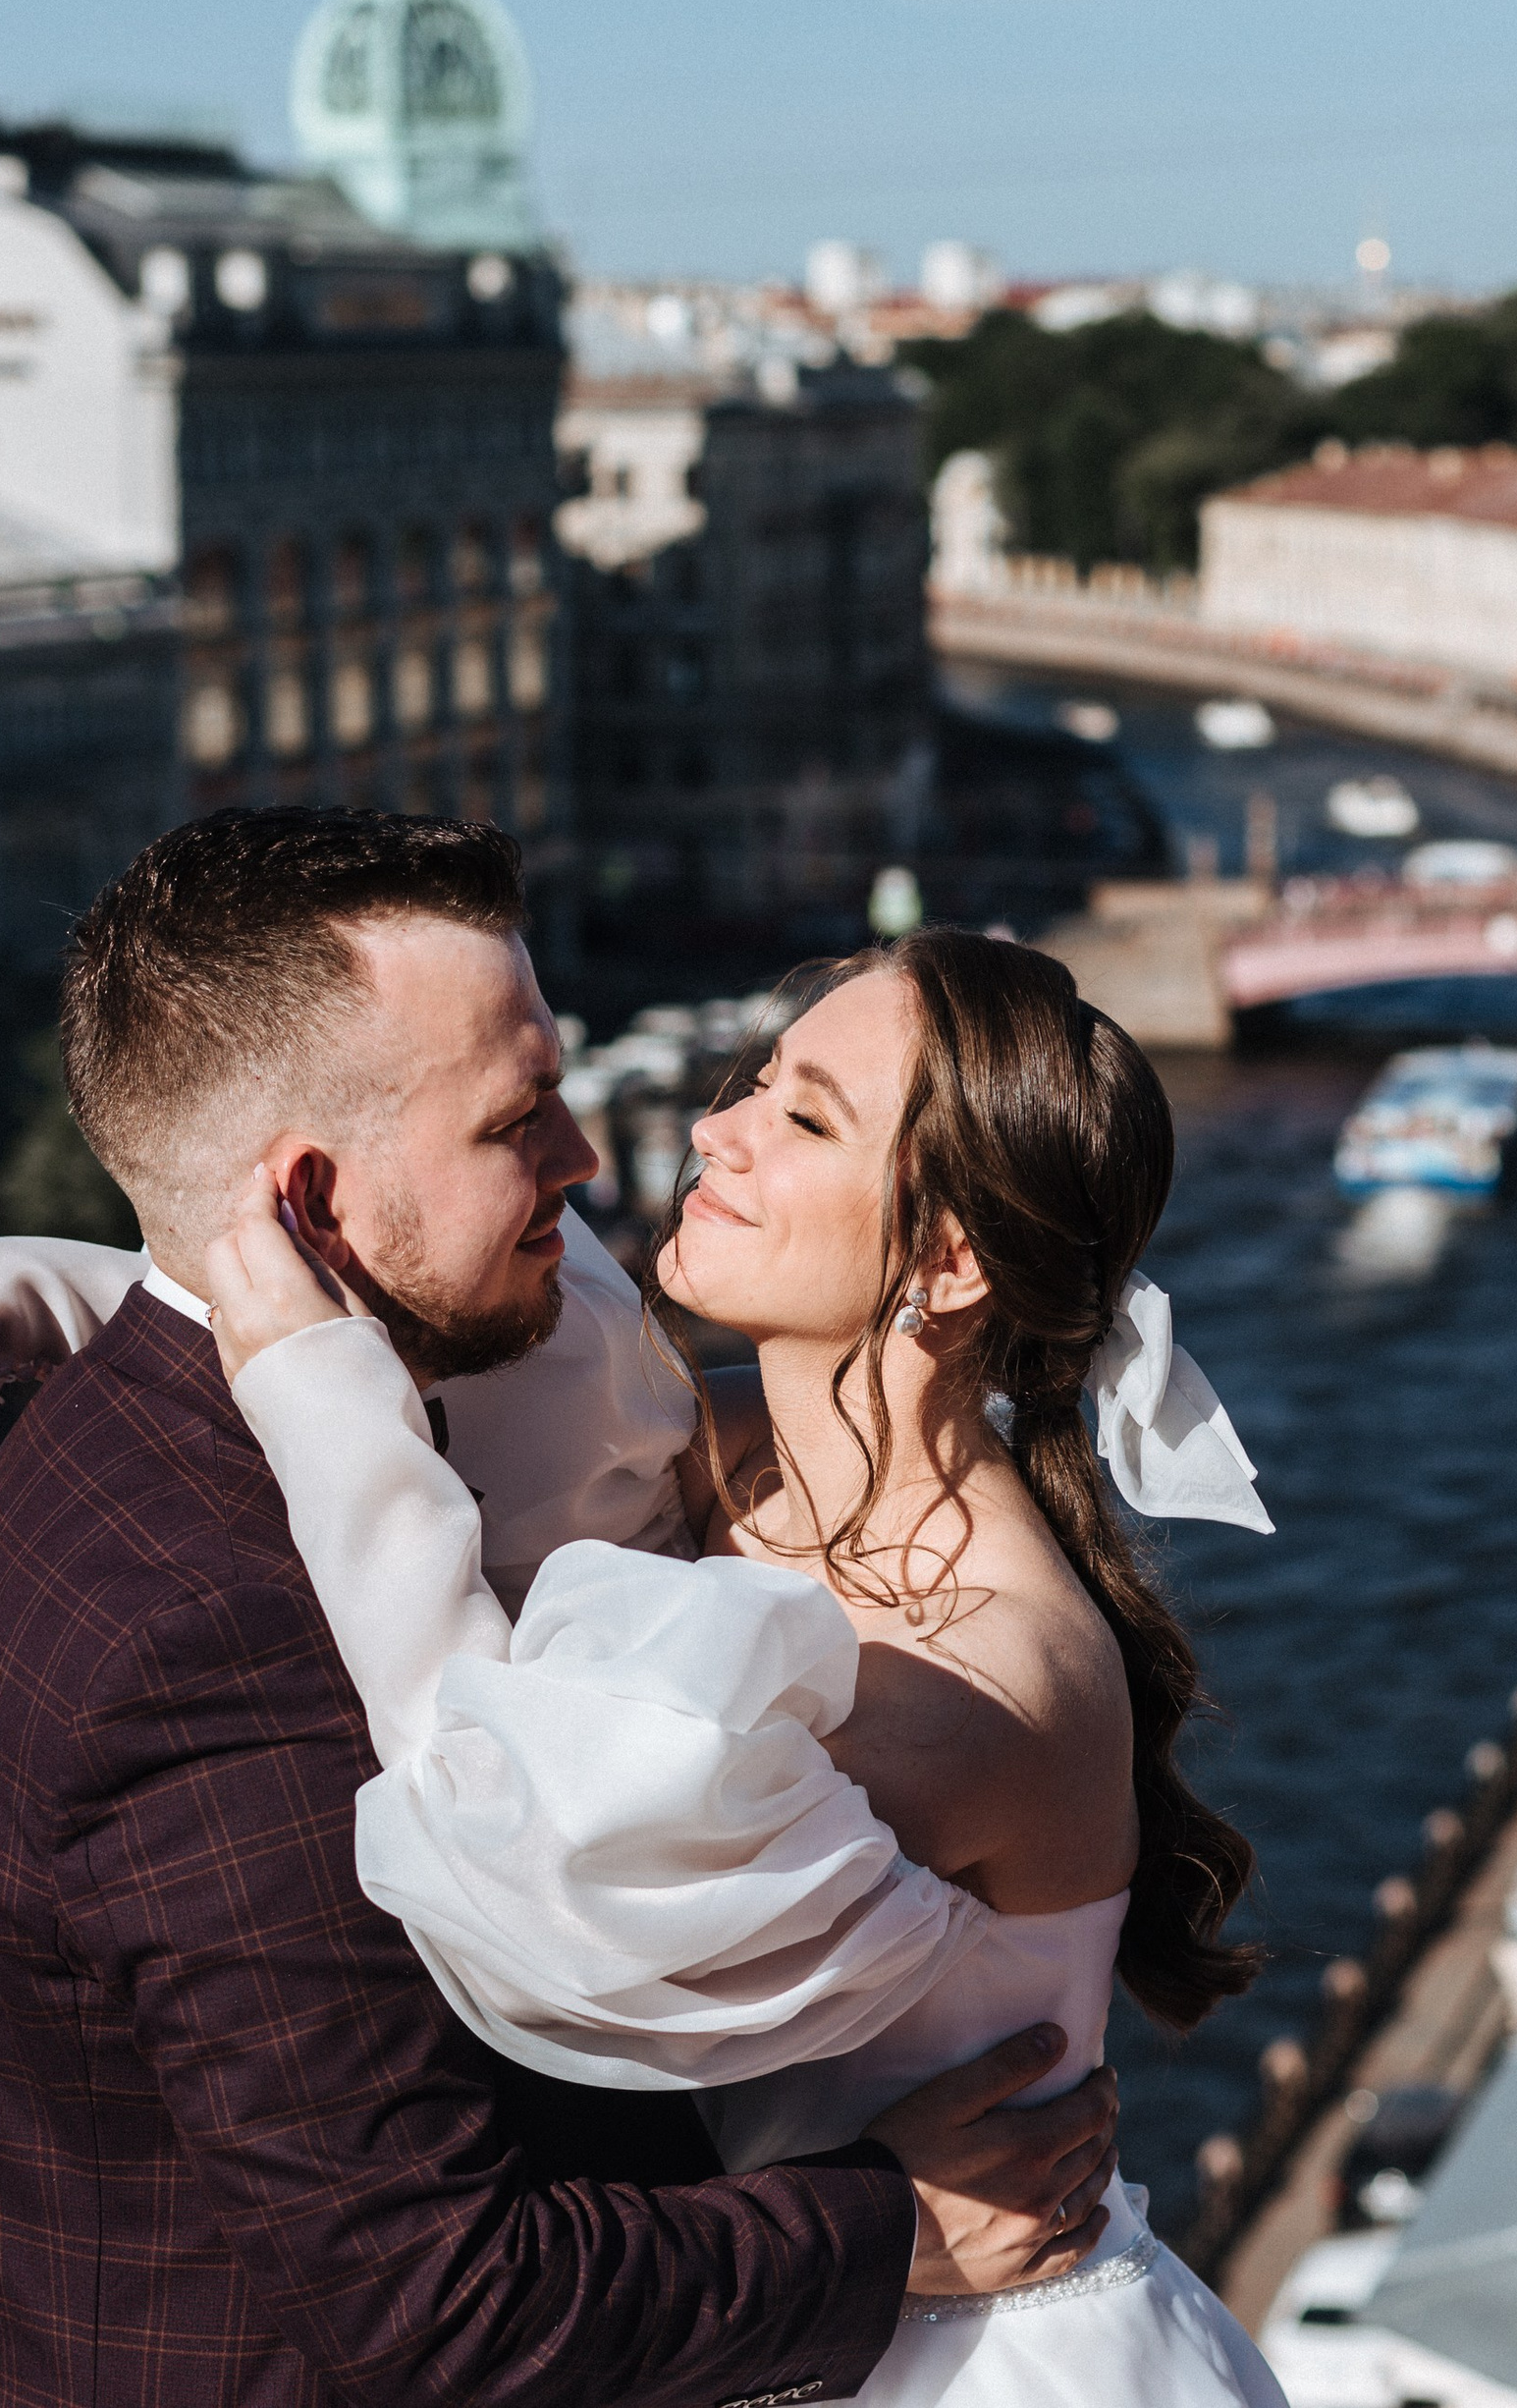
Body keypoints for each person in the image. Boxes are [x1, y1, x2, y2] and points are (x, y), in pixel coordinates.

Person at [0, 810, 1118, 2408]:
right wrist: (896, 2229)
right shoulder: (212, 1636)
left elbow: (521, 1806)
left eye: (801, 1118)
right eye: (523, 1117)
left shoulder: (157, 1430)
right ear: (308, 1214)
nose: (611, 1157)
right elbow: (439, 2304)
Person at [194, 923, 1288, 2406]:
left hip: (960, 2353)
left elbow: (508, 1839)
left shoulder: (981, 1682)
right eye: (757, 1082)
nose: (715, 1129)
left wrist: (315, 1395)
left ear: (949, 1259)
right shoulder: (709, 1437)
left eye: (805, 1117)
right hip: (793, 2303)